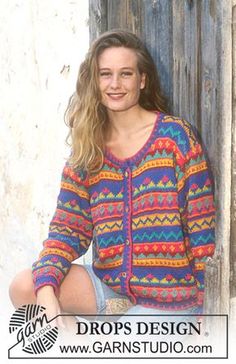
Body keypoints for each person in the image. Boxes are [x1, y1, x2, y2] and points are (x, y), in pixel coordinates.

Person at [9, 30, 215, 326]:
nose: (115, 84)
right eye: (105, 74)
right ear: (95, 81)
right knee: (26, 286)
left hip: (170, 300)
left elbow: (201, 229)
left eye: (126, 74)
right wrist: (45, 288)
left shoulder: (175, 139)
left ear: (142, 80)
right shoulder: (89, 147)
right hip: (113, 292)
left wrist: (204, 313)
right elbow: (67, 230)